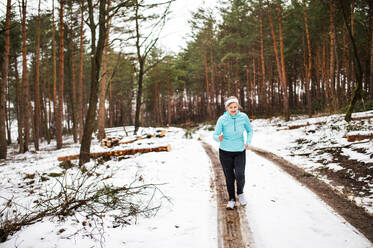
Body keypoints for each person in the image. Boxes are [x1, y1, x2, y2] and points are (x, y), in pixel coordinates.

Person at [213, 96, 253, 209]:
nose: (234, 109)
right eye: (231, 107)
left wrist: (248, 141)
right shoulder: (222, 119)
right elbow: (215, 134)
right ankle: (231, 199)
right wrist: (218, 138)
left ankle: (240, 193)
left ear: (238, 107)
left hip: (240, 150)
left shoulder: (243, 117)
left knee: (240, 174)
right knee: (229, 176)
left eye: (235, 107)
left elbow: (249, 130)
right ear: (227, 108)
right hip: (225, 151)